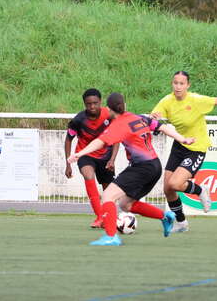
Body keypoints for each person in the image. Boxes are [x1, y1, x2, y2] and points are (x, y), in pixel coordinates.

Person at [68, 92, 195, 246]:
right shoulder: (139, 118)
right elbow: (163, 127)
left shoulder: (119, 124)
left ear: (108, 108)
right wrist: (183, 139)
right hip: (155, 166)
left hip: (141, 168)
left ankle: (111, 237)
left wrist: (79, 154)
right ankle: (165, 216)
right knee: (125, 205)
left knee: (108, 195)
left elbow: (99, 142)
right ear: (125, 105)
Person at [150, 71, 217, 233]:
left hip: (196, 148)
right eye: (175, 83)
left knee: (175, 184)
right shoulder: (167, 101)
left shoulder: (197, 100)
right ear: (172, 84)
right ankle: (182, 223)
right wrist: (154, 117)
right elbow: (154, 119)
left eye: (182, 83)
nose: (178, 86)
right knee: (167, 189)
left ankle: (200, 190)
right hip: (179, 146)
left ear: (188, 85)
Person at [65, 88, 119, 228]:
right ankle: (99, 217)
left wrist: (112, 159)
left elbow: (116, 138)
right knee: (88, 175)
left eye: (95, 103)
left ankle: (109, 216)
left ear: (100, 102)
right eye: (89, 104)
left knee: (108, 190)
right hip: (85, 155)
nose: (92, 106)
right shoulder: (78, 120)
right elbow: (68, 140)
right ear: (84, 104)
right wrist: (68, 163)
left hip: (105, 157)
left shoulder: (109, 115)